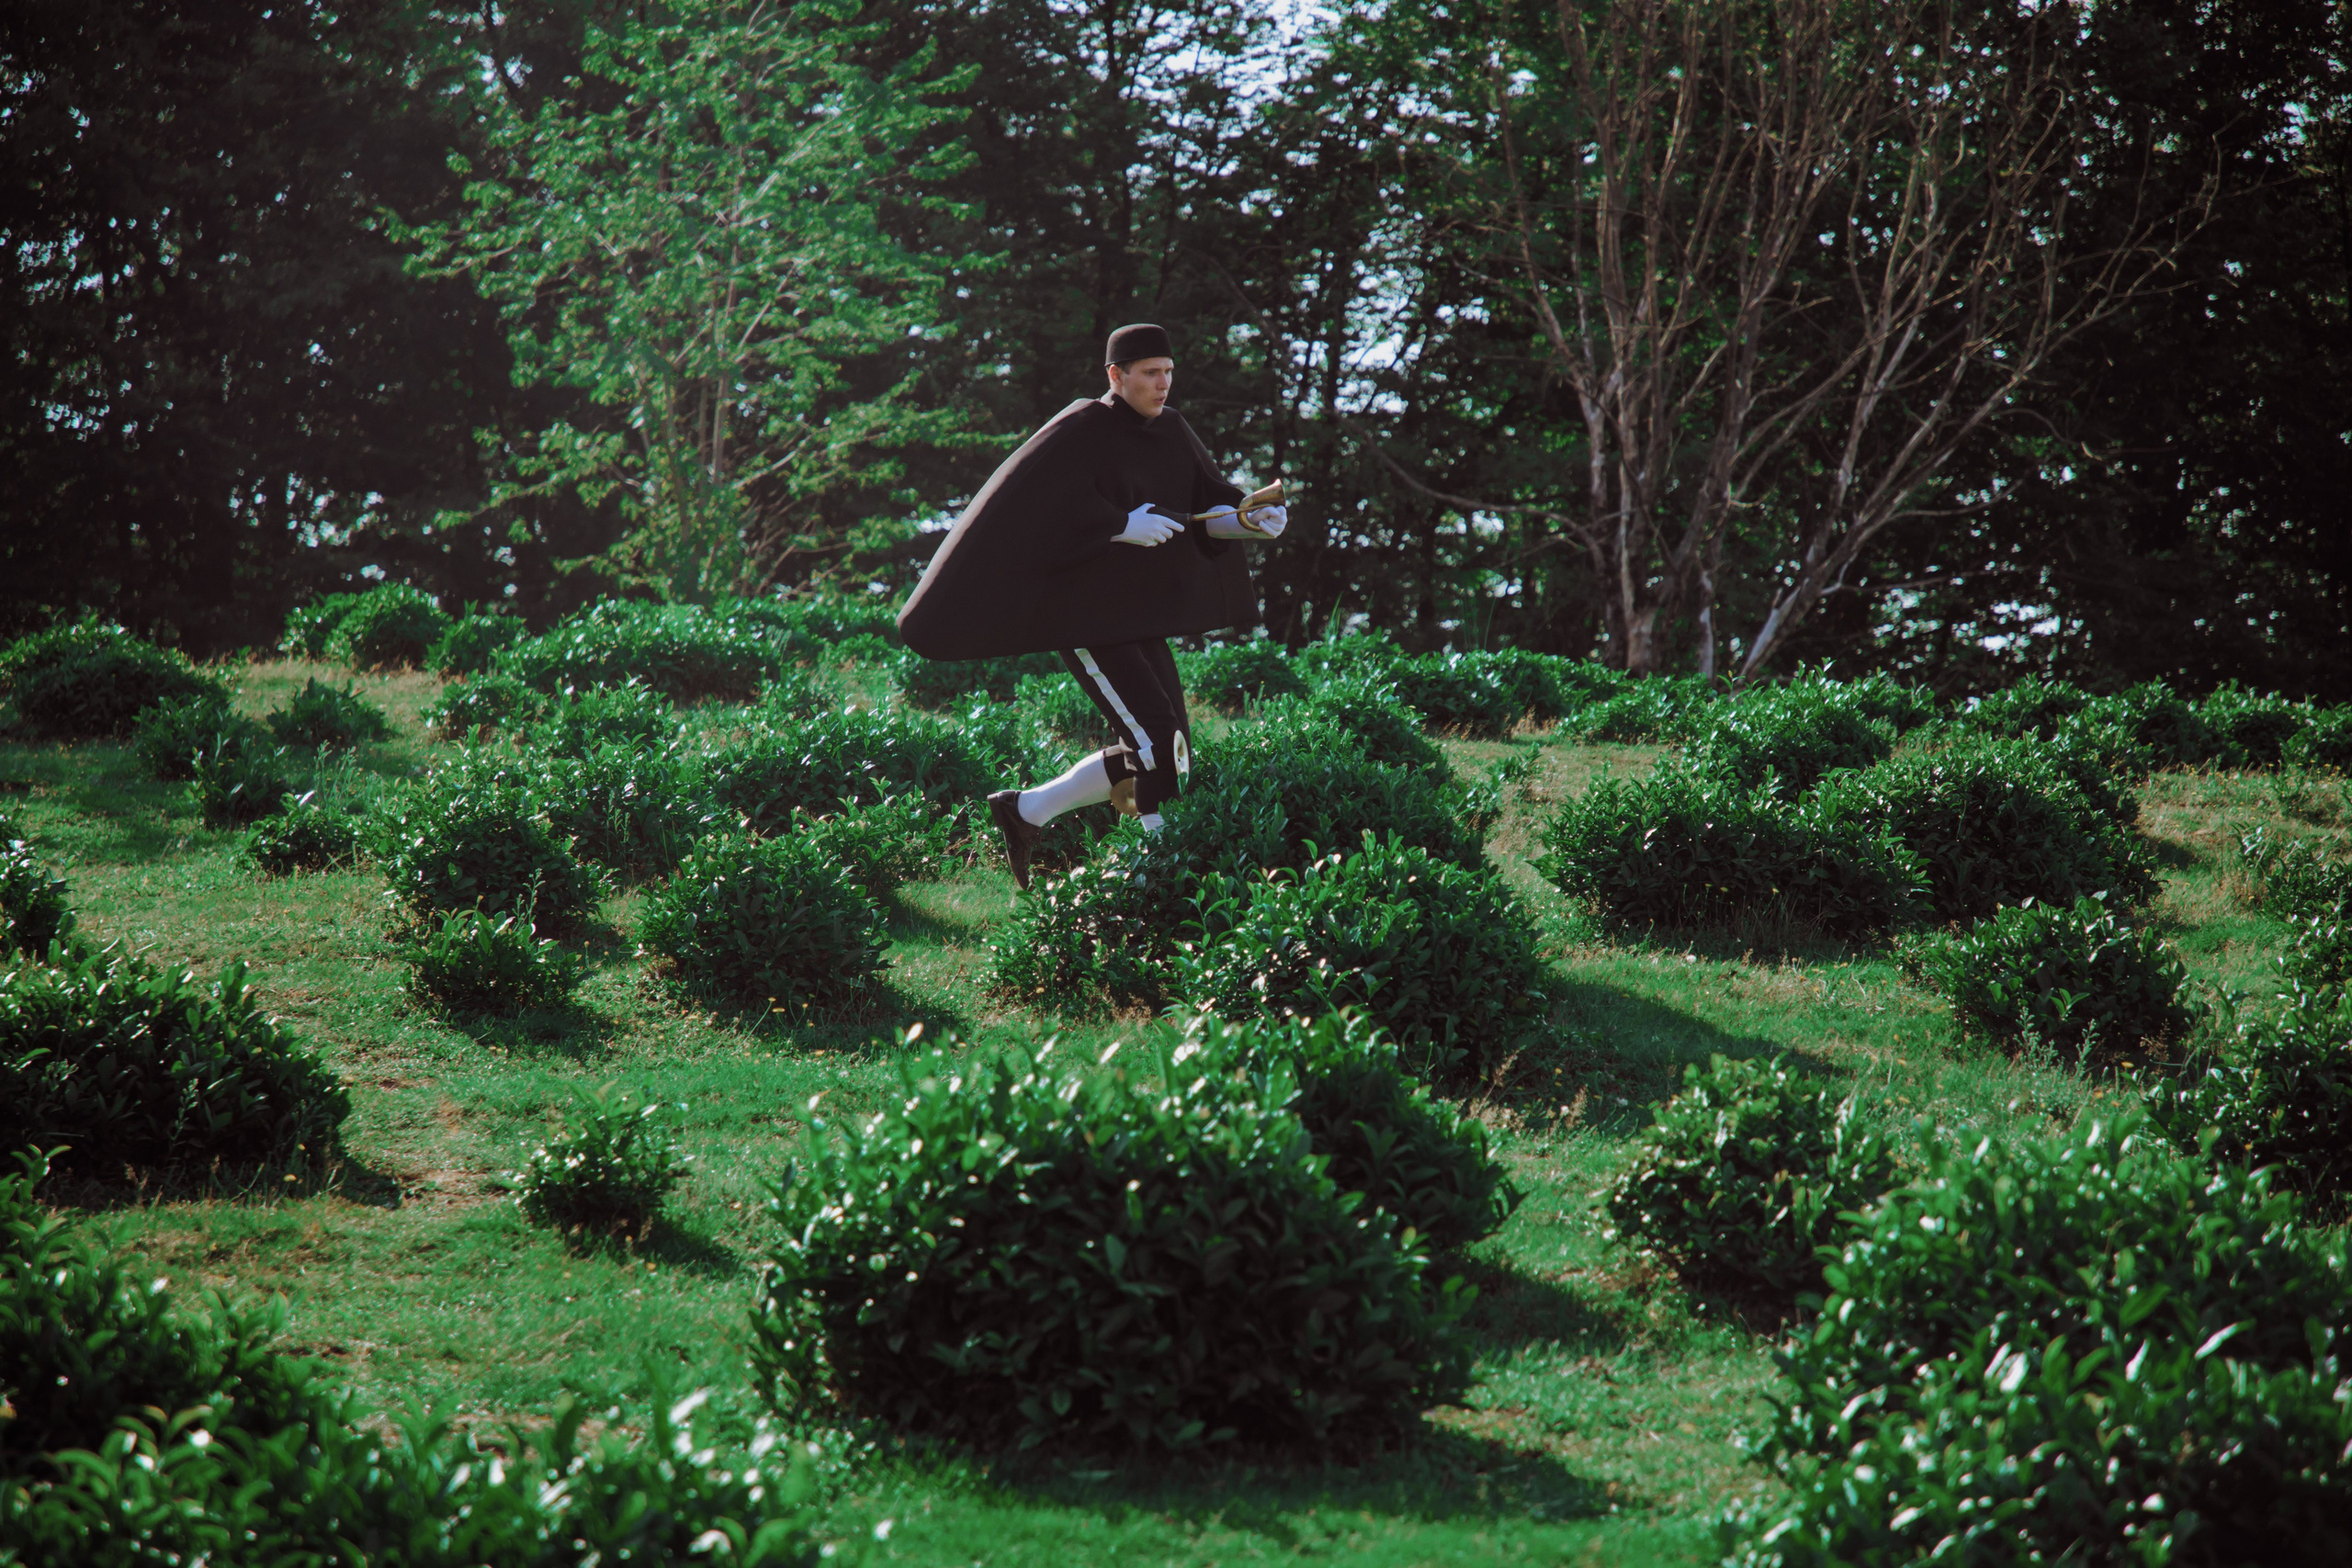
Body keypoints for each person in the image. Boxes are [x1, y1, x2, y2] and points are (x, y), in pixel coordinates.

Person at [896, 322, 1287, 887]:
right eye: (1150, 373)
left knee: (1171, 747)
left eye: (1169, 372)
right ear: (1116, 375)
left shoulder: (1173, 430)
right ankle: (1167, 880)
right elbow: (1030, 510)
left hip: (1138, 615)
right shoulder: (1079, 428)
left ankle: (1024, 810)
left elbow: (1209, 501)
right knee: (1157, 740)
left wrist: (1251, 518)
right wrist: (1118, 525)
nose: (1163, 384)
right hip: (1085, 618)